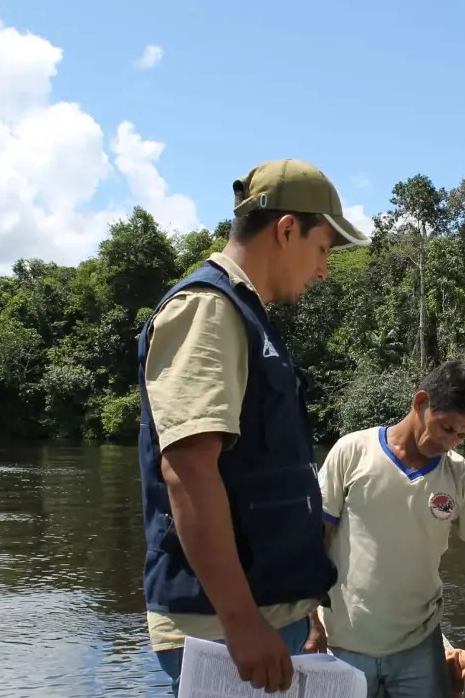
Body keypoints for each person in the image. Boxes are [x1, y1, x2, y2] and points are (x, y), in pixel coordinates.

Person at [136, 158, 371, 696]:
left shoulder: (245, 315)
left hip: (258, 616)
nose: (323, 270)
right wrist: (241, 621)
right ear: (287, 230)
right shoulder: (207, 310)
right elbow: (188, 470)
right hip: (222, 628)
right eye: (323, 249)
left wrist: (301, 607)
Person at [309, 360, 465, 698]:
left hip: (418, 648)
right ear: (421, 402)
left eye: (463, 436)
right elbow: (313, 538)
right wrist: (309, 616)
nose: (450, 442)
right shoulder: (353, 452)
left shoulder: (459, 475)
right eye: (446, 428)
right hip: (343, 642)